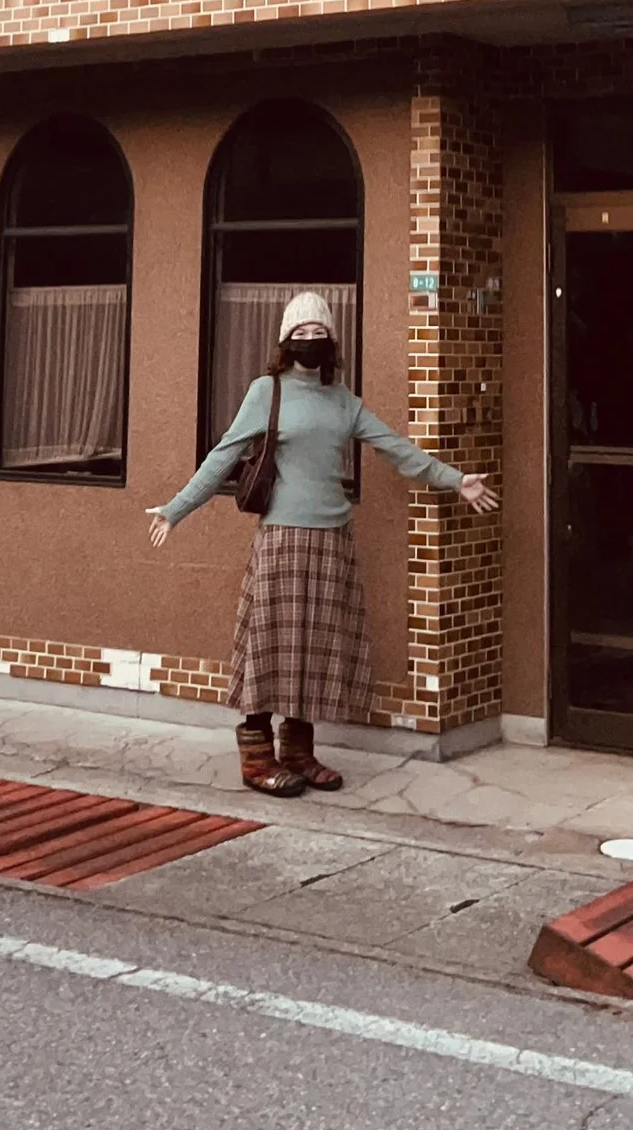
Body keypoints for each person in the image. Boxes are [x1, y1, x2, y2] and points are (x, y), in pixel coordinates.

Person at [146, 291, 499, 797]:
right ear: (285, 342)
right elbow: (223, 457)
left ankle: (297, 753)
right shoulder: (266, 392)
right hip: (283, 539)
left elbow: (395, 448)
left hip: (334, 538)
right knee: (271, 646)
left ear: (331, 342)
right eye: (300, 333)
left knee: (314, 649)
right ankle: (256, 758)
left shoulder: (342, 400)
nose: (310, 340)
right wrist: (175, 509)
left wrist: (456, 479)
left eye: (319, 333)